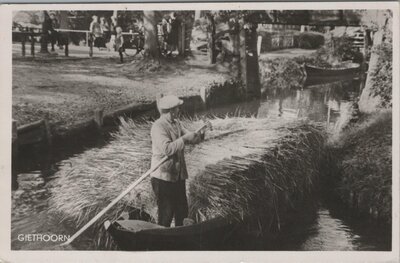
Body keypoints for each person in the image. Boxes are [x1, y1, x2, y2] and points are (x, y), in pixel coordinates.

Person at [150, 95, 206, 227]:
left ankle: (180, 238)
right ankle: (162, 241)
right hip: (163, 177)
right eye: (177, 108)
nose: (178, 110)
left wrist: (201, 133)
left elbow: (191, 139)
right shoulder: (158, 127)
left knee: (182, 212)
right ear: (170, 111)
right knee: (166, 214)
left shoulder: (176, 123)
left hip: (178, 176)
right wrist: (184, 139)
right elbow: (167, 149)